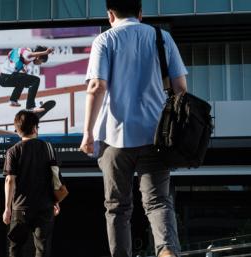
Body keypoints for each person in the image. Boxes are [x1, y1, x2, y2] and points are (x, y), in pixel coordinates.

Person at [79, 1, 187, 257]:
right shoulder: (162, 37)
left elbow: (97, 87)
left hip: (113, 137)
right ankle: (167, 251)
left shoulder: (104, 40)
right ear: (140, 13)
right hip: (156, 134)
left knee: (117, 207)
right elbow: (181, 87)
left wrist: (88, 133)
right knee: (158, 202)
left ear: (110, 15)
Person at [2, 110, 61, 257]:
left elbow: (10, 180)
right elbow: (55, 176)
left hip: (20, 208)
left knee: (15, 248)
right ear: (35, 128)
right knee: (42, 248)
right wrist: (56, 201)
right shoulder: (48, 148)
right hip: (44, 206)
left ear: (18, 131)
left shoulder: (12, 151)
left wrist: (7, 208)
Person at [0, 46, 54, 111]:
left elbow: (15, 61)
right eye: (41, 61)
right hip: (7, 77)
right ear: (38, 57)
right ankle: (30, 106)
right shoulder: (28, 53)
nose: (40, 64)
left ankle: (13, 101)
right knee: (36, 80)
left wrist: (22, 69)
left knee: (23, 79)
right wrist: (46, 52)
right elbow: (30, 55)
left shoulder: (23, 55)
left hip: (3, 79)